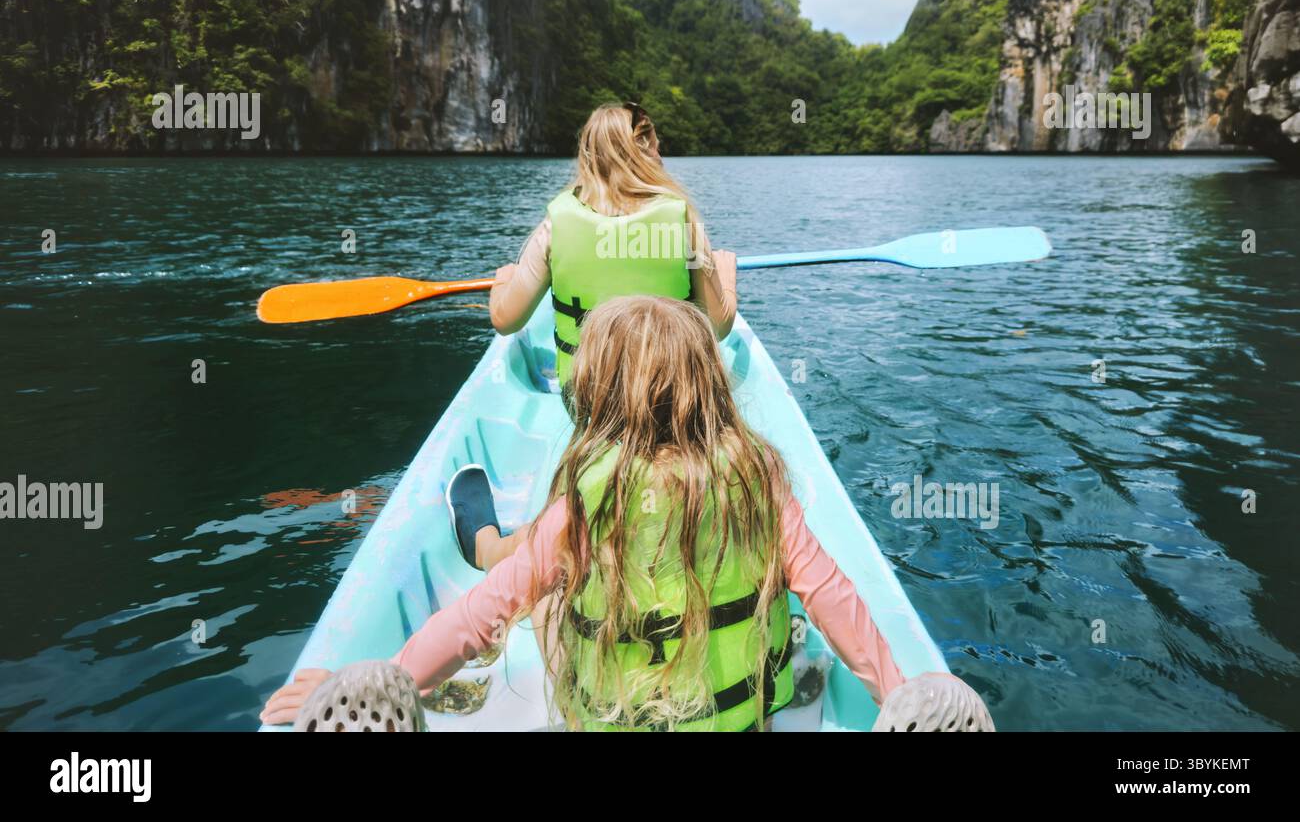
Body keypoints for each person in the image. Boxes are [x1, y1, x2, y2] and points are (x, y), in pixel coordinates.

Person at [262, 296, 907, 732]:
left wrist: (388, 677)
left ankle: (402, 693)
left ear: (597, 397)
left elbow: (480, 616)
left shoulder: (581, 508)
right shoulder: (760, 482)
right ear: (710, 386)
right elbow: (836, 602)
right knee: (786, 605)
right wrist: (898, 692)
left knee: (540, 598)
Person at [453, 101, 739, 572]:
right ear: (645, 148)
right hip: (673, 404)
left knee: (582, 516)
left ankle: (493, 551)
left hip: (592, 402)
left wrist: (503, 281)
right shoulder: (681, 220)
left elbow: (505, 319)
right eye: (658, 145)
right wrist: (725, 278)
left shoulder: (555, 225)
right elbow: (721, 324)